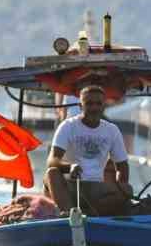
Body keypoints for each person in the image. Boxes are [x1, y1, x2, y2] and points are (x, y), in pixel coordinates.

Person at [43, 84, 132, 216]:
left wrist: (120, 185)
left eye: (98, 103)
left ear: (104, 106)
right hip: (69, 185)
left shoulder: (112, 130)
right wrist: (70, 167)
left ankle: (88, 215)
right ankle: (69, 214)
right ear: (80, 106)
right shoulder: (67, 126)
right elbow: (52, 161)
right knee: (52, 173)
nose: (94, 108)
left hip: (97, 189)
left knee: (127, 189)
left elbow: (122, 166)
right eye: (89, 103)